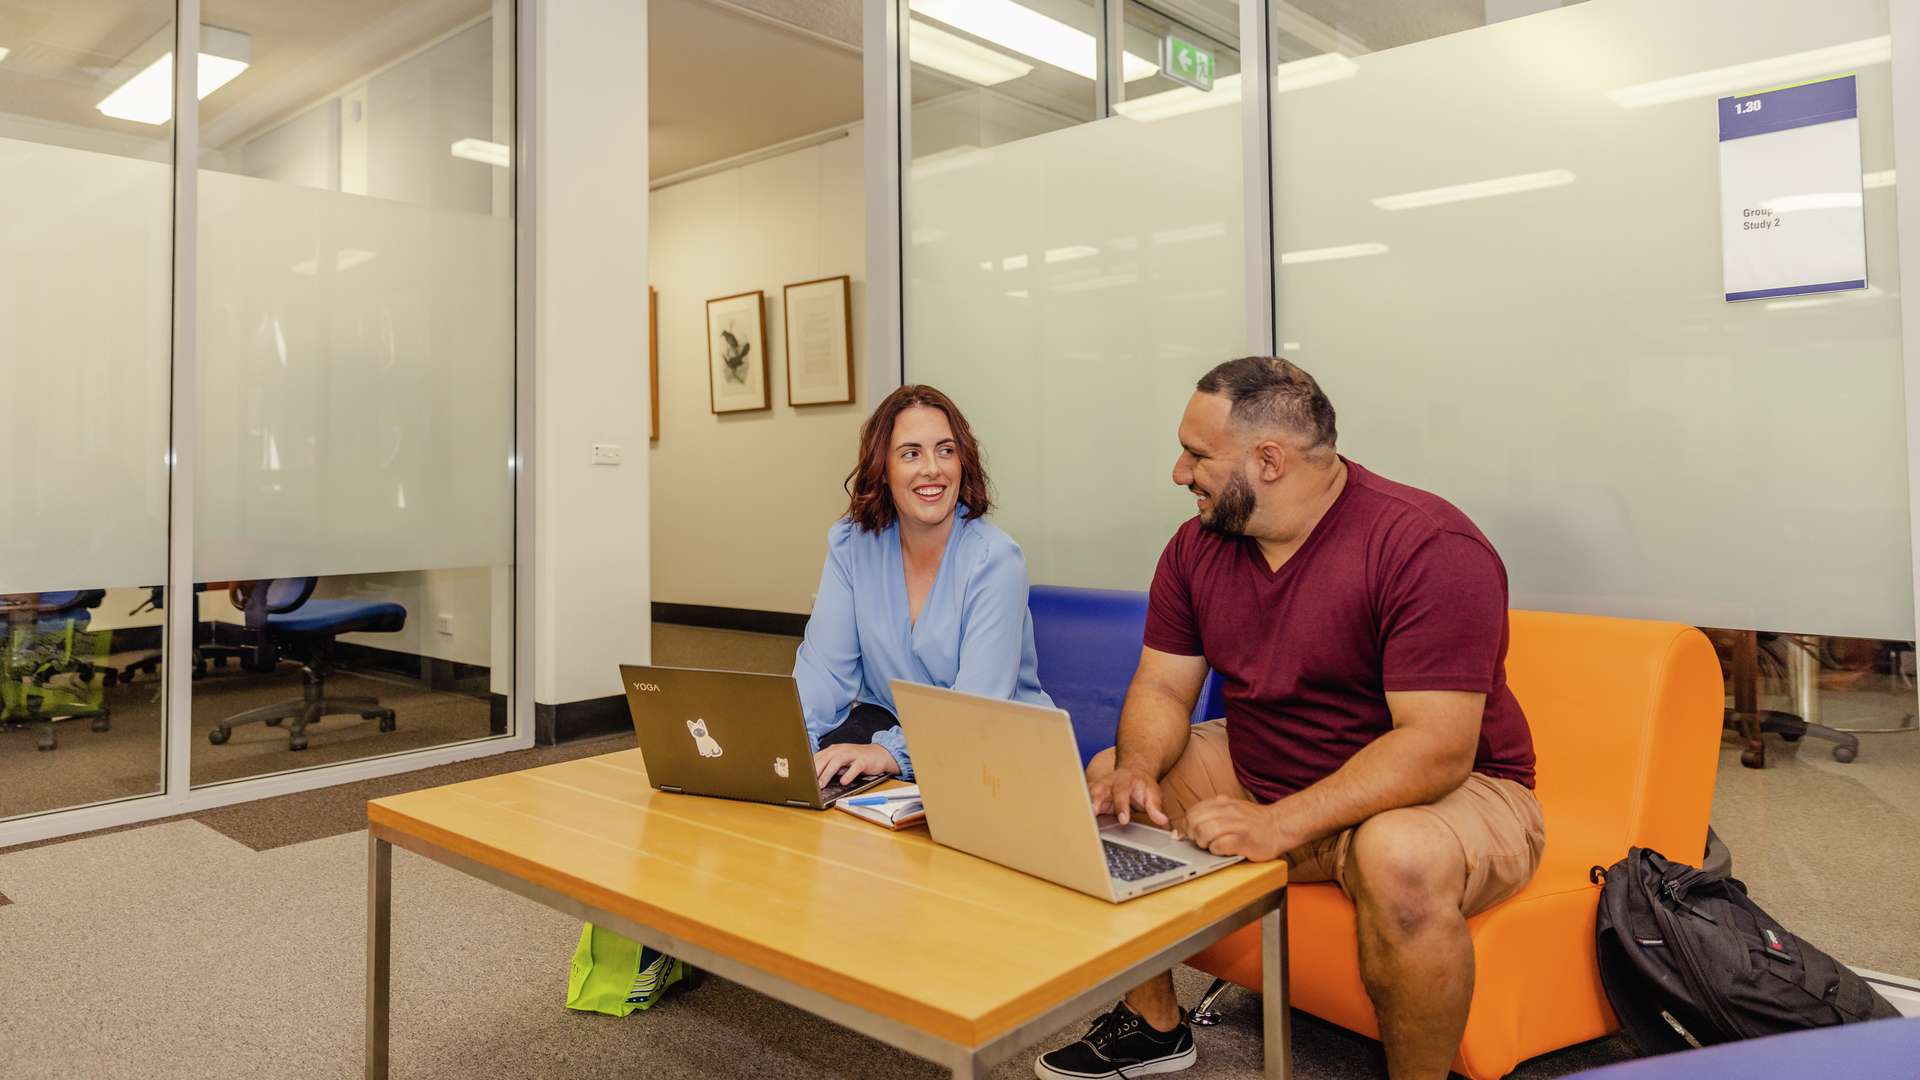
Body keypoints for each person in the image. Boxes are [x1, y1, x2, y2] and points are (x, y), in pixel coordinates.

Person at [1035, 357, 1544, 1080]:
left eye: (1198, 454)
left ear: (1268, 460)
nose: (1180, 472)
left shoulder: (1427, 545)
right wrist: (1140, 769)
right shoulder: (1197, 547)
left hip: (1453, 793)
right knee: (1111, 786)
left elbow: (1437, 750)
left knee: (1395, 853)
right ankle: (1154, 1026)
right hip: (1267, 769)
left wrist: (1279, 824)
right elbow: (1162, 691)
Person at [795, 384, 1052, 787]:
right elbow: (824, 671)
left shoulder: (996, 560)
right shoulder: (851, 545)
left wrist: (889, 753)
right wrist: (795, 742)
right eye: (911, 453)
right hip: (894, 740)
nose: (932, 468)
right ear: (883, 469)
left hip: (996, 756)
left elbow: (977, 706)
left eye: (946, 450)